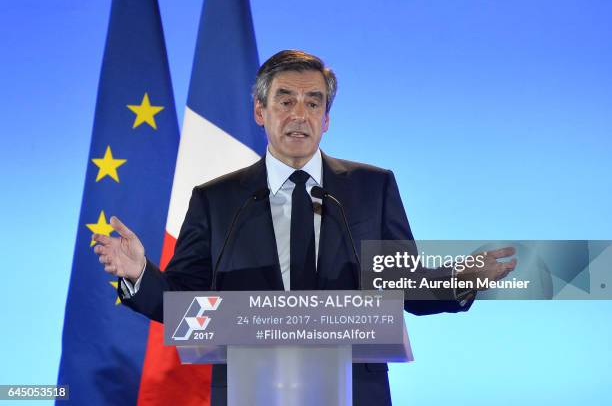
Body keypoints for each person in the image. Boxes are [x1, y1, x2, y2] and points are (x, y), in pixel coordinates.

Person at [93, 50, 516, 406]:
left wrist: (462, 278)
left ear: (326, 119)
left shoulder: (372, 188)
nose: (300, 114)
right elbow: (183, 305)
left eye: (313, 103)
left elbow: (403, 286)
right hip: (251, 390)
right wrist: (140, 274)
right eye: (285, 101)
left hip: (355, 390)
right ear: (260, 111)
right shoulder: (217, 200)